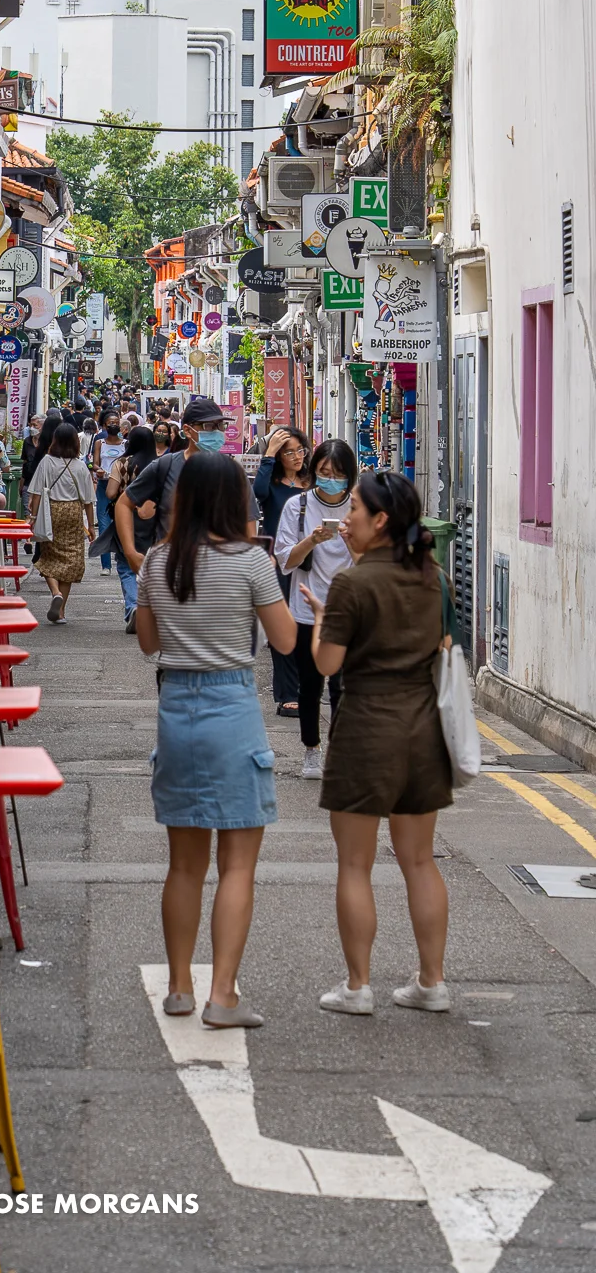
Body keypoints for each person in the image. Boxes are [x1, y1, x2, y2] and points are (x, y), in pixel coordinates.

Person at [134, 453, 296, 1027]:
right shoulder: (250, 562)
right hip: (232, 707)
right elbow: (283, 639)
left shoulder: (159, 561)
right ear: (234, 502)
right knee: (237, 867)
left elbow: (149, 643)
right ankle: (221, 995)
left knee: (183, 867)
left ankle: (179, 988)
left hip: (176, 708)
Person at [301, 470, 454, 1016]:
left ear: (381, 520)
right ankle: (432, 982)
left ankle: (358, 985)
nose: (347, 521)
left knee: (354, 865)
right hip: (422, 729)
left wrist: (320, 620)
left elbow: (326, 664)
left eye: (356, 511)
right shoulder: (434, 578)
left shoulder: (352, 584)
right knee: (419, 861)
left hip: (366, 726)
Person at [273, 438, 356, 781]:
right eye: (323, 472)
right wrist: (312, 540)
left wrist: (354, 542)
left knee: (344, 686)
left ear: (349, 477)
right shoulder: (299, 507)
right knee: (310, 685)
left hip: (349, 612)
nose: (330, 479)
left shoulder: (360, 508)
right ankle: (311, 750)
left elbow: (376, 561)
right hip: (307, 609)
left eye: (337, 474)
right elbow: (284, 560)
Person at [115, 396, 260, 573]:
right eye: (209, 427)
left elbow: (249, 524)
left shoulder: (233, 473)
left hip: (222, 577)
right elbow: (124, 503)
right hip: (171, 573)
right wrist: (130, 552)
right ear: (188, 430)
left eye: (220, 426)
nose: (216, 432)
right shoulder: (165, 466)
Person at [253, 427, 312, 718]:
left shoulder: (314, 483)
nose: (297, 457)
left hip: (314, 561)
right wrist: (267, 455)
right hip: (279, 563)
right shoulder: (272, 484)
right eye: (288, 452)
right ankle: (288, 694)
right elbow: (258, 493)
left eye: (300, 450)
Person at [26, 422, 96, 623]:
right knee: (71, 559)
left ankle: (55, 592)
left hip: (51, 512)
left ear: (55, 440)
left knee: (48, 555)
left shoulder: (47, 461)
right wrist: (91, 526)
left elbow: (36, 493)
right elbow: (89, 501)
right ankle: (61, 610)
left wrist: (34, 516)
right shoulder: (81, 466)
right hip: (73, 513)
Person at [104, 423, 156, 631]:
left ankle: (134, 607)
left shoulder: (122, 463)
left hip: (125, 519)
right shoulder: (159, 464)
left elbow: (110, 493)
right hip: (153, 521)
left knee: (126, 567)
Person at [88, 409, 124, 577]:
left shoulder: (126, 443)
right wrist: (98, 470)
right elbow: (95, 463)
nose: (114, 425)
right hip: (104, 485)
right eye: (110, 423)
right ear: (104, 425)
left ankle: (123, 557)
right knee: (103, 524)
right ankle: (106, 564)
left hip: (121, 488)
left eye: (116, 422)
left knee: (122, 523)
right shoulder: (99, 443)